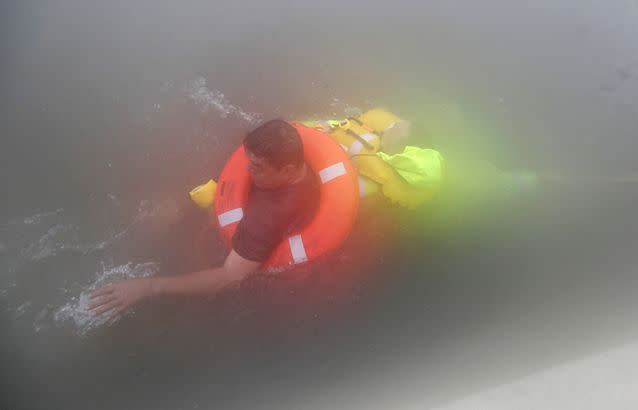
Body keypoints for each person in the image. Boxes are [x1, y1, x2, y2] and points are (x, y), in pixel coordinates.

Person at [89, 120, 320, 319]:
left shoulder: (265, 217)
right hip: (293, 222)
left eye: (258, 167)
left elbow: (230, 276)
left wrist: (149, 286)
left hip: (265, 267)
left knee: (175, 227)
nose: (248, 170)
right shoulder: (305, 171)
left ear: (288, 170)